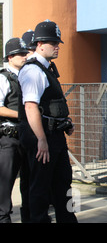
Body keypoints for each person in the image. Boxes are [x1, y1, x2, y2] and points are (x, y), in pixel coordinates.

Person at [18, 20, 77, 223]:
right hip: (42, 139)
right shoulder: (33, 70)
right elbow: (30, 107)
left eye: (57, 42)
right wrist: (41, 139)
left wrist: (65, 122)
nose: (57, 46)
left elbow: (50, 104)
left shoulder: (47, 68)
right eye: (53, 42)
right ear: (40, 44)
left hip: (54, 137)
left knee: (64, 186)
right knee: (40, 189)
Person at [0, 38, 29, 223]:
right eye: (21, 54)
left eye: (26, 53)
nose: (25, 57)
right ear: (11, 57)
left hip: (27, 135)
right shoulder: (3, 77)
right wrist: (22, 114)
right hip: (9, 138)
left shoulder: (26, 75)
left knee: (28, 181)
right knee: (5, 182)